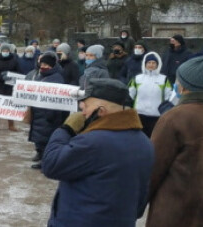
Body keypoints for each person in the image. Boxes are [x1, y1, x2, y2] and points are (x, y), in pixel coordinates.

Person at [42, 78, 153, 226]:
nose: (82, 112)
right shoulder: (144, 142)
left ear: (101, 111)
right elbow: (141, 200)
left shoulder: (93, 141)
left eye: (85, 107)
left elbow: (51, 164)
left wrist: (66, 129)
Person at [147, 57, 203, 227]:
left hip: (175, 210)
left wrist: (137, 204)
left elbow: (153, 168)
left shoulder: (174, 118)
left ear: (183, 86)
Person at [27, 53, 67, 169]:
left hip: (49, 114)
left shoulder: (57, 78)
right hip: (38, 112)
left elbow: (57, 99)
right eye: (42, 64)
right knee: (39, 138)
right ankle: (41, 156)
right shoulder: (40, 75)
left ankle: (46, 163)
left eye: (46, 64)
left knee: (46, 139)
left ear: (52, 65)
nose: (43, 66)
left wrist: (51, 114)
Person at [128, 52, 172, 137]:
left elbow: (168, 96)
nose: (151, 65)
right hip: (139, 114)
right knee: (139, 137)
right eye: (149, 62)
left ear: (158, 65)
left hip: (156, 115)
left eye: (153, 63)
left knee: (154, 138)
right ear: (144, 64)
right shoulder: (137, 79)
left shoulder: (164, 79)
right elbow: (130, 94)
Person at [0, 43, 20, 131]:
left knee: (9, 104)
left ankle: (11, 125)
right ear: (1, 51)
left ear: (9, 51)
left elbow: (18, 71)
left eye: (7, 51)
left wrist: (11, 76)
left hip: (9, 86)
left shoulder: (14, 60)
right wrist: (1, 77)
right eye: (3, 51)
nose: (5, 52)